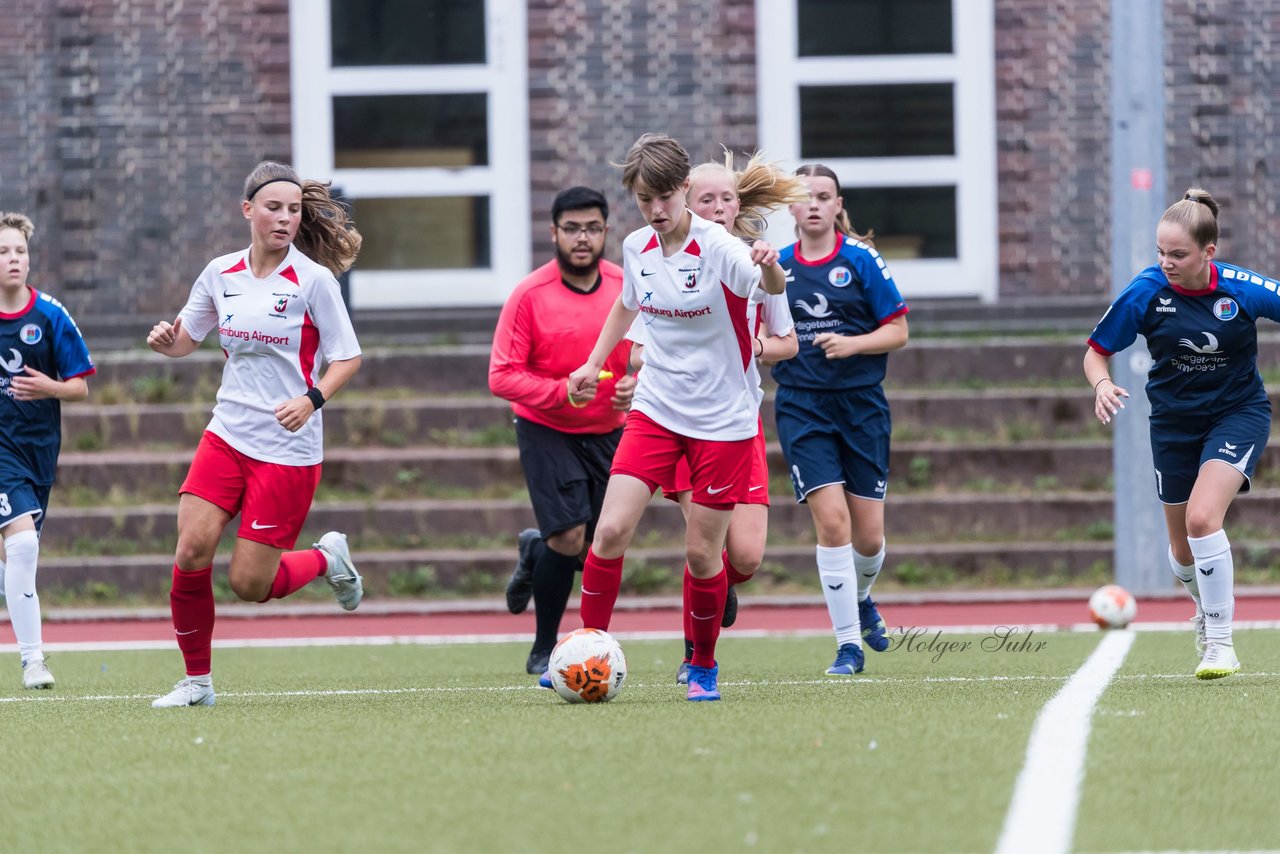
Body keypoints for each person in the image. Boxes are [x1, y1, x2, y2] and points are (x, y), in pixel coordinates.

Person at [567, 133, 787, 702]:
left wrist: (769, 269)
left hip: (723, 420)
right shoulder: (639, 246)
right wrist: (593, 364)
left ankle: (704, 665)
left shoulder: (718, 247)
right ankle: (589, 645)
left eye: (665, 196)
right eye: (645, 199)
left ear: (684, 189)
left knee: (703, 553)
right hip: (657, 408)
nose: (657, 210)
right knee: (611, 528)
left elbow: (762, 285)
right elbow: (626, 304)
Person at [145, 161, 365, 708]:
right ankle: (197, 684)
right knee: (191, 548)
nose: (285, 218)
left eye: (293, 210)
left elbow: (348, 357)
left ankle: (326, 558)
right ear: (248, 211)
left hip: (288, 450)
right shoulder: (220, 272)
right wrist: (164, 340)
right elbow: (187, 339)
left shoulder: (313, 280)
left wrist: (311, 400)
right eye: (273, 207)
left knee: (249, 584)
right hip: (226, 433)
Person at [1086, 188, 1280, 680]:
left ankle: (1219, 643)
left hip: (1238, 414)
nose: (1166, 263)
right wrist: (1103, 384)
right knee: (1181, 553)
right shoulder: (1146, 291)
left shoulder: (1240, 288)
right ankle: (1204, 605)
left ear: (1207, 252)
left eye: (1178, 254)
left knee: (1201, 519)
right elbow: (1095, 352)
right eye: (1161, 252)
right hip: (1172, 424)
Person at [629, 150, 806, 683]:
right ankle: (695, 657)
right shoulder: (662, 256)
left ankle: (721, 587)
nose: (720, 207)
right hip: (679, 418)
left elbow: (788, 342)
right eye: (708, 199)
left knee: (745, 556)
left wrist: (756, 344)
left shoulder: (752, 261)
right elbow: (637, 347)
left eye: (728, 198)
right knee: (700, 544)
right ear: (688, 201)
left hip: (736, 420)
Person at [489, 186, 635, 681]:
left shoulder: (625, 287)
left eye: (592, 228)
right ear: (553, 232)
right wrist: (559, 393)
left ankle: (535, 551)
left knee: (599, 542)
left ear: (605, 233)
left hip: (610, 432)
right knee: (569, 535)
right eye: (571, 228)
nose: (582, 238)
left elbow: (649, 352)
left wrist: (634, 386)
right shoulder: (529, 295)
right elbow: (501, 375)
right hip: (546, 427)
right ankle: (545, 646)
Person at [772, 164, 909, 677]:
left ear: (837, 204)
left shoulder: (860, 259)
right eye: (804, 197)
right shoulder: (776, 268)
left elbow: (897, 331)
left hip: (861, 405)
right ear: (790, 207)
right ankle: (848, 646)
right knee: (833, 524)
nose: (813, 204)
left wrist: (854, 344)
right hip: (802, 406)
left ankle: (862, 596)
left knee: (869, 538)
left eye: (822, 196)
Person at [0, 212, 95, 689]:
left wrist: (49, 388)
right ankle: (32, 660)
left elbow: (80, 388)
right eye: (3, 252)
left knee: (14, 555)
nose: (13, 259)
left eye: (19, 251)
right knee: (21, 544)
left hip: (38, 451)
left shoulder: (51, 315)